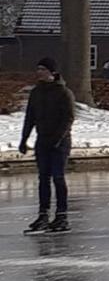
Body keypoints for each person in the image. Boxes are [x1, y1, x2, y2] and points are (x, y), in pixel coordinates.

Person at [19, 58, 76, 234]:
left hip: (59, 142)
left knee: (58, 177)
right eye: (38, 69)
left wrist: (57, 139)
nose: (39, 72)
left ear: (52, 72)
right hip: (42, 140)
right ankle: (43, 215)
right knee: (43, 178)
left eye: (43, 69)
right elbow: (30, 117)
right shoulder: (37, 92)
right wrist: (24, 139)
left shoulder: (64, 92)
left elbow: (68, 118)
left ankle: (62, 216)